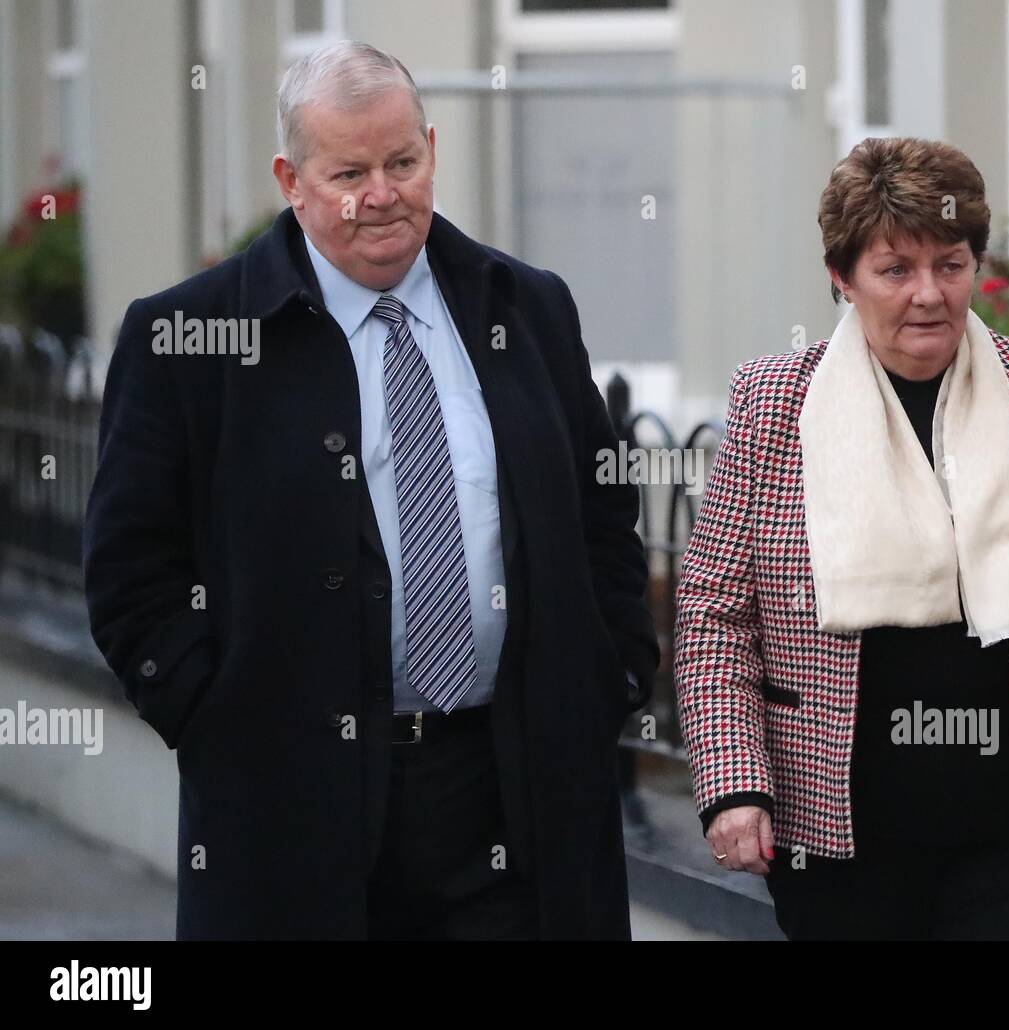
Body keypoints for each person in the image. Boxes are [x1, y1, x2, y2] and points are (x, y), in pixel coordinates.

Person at [82, 41, 658, 940]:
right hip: (291, 810)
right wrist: (218, 719)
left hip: (516, 797)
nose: (382, 194)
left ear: (431, 149)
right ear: (291, 178)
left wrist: (610, 674)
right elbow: (129, 571)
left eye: (402, 162)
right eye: (349, 170)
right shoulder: (185, 339)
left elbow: (603, 514)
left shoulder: (527, 307)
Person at [674, 136, 1009, 940]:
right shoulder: (773, 405)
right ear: (843, 277)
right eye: (895, 269)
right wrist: (734, 786)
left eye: (951, 263)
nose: (928, 294)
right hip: (834, 831)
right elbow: (715, 616)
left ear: (977, 266)